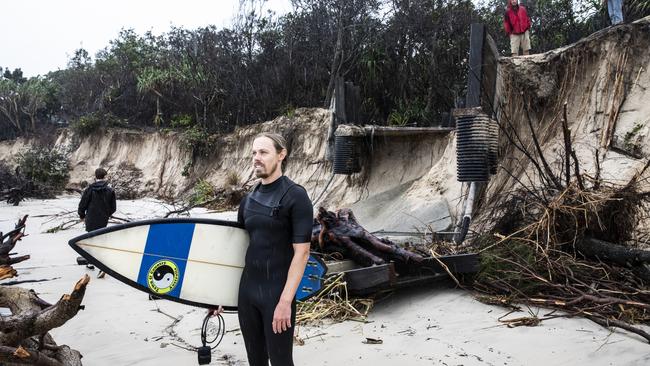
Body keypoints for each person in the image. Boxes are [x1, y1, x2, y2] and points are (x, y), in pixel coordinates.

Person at [212, 132, 312, 366]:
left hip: (277, 295)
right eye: (254, 152)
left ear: (281, 155)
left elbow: (302, 253)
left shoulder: (295, 196)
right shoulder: (248, 200)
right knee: (255, 361)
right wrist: (216, 295)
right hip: (247, 294)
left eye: (263, 152)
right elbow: (236, 249)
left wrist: (285, 302)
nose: (257, 157)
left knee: (281, 361)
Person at [78, 167, 116, 278]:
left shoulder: (89, 189)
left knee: (91, 240)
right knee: (101, 241)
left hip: (91, 219)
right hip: (103, 219)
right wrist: (107, 214)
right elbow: (113, 207)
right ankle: (101, 266)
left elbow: (82, 204)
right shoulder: (110, 190)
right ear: (105, 177)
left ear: (96, 177)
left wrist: (82, 215)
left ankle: (90, 262)